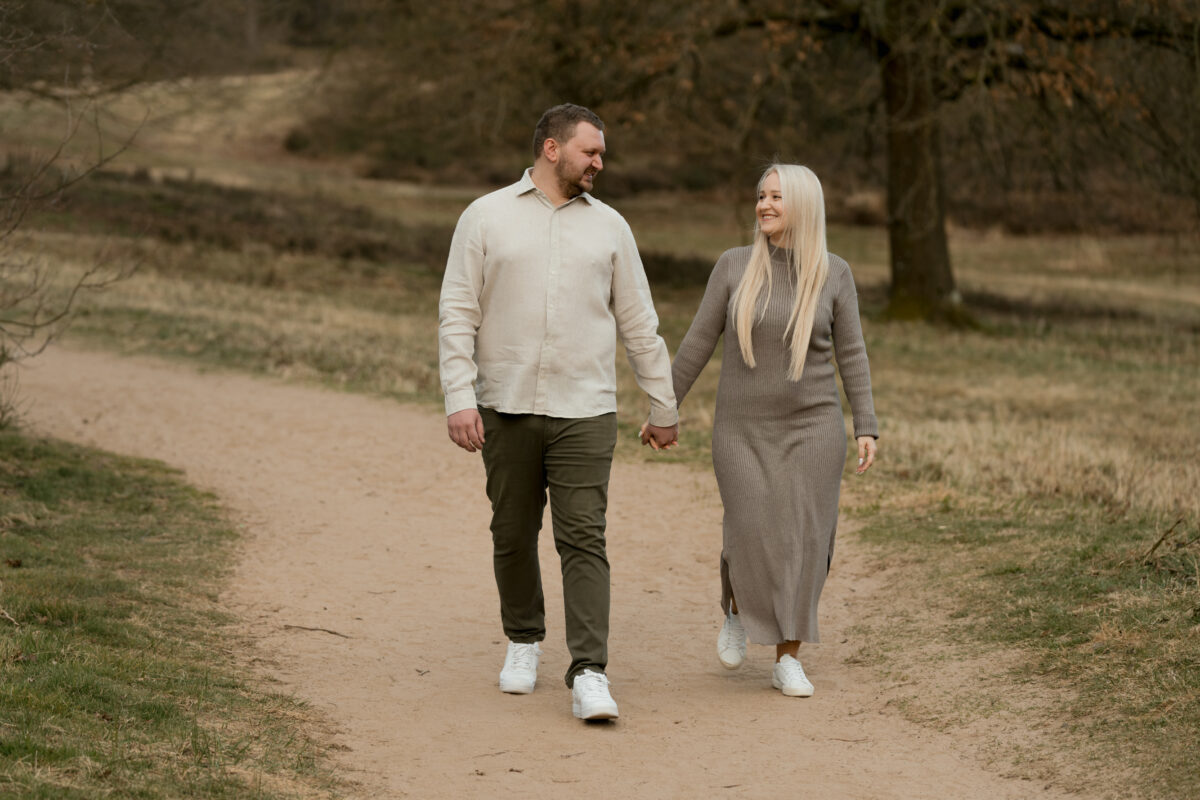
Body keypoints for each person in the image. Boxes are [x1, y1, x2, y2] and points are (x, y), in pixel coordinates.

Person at [438, 103, 679, 721]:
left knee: (583, 537)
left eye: (601, 154)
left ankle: (590, 672)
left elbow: (640, 324)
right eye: (590, 152)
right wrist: (459, 398)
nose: (600, 162)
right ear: (552, 149)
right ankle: (523, 640)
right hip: (505, 405)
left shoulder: (611, 228)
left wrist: (662, 403)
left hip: (585, 410)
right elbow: (458, 314)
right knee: (512, 531)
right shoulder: (485, 216)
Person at [652, 163, 877, 697]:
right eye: (760, 196)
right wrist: (665, 408)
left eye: (777, 197)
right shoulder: (734, 267)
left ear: (803, 205)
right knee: (750, 527)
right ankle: (737, 608)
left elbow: (853, 353)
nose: (765, 205)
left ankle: (788, 655)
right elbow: (696, 344)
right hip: (742, 429)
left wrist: (865, 423)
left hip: (814, 428)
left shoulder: (834, 273)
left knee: (803, 539)